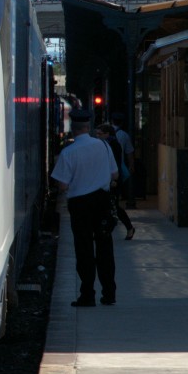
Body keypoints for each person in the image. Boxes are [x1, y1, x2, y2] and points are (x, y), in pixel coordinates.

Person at [50, 109, 119, 307]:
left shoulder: (68, 152)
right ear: (88, 127)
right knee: (105, 247)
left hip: (80, 204)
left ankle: (87, 295)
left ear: (73, 128)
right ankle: (109, 294)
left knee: (84, 249)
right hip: (102, 202)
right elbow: (114, 175)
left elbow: (62, 185)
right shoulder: (104, 146)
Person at [95, 123, 134, 240]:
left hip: (113, 180)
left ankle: (128, 227)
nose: (97, 136)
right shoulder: (105, 144)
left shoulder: (114, 145)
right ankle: (107, 229)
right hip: (107, 179)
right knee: (109, 205)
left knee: (113, 205)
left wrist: (113, 179)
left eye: (100, 134)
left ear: (107, 134)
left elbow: (115, 164)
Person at [110, 111, 135, 208]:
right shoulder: (124, 135)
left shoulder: (104, 133)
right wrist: (131, 165)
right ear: (122, 123)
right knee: (116, 187)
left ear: (112, 121)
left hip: (106, 166)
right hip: (119, 165)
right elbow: (129, 152)